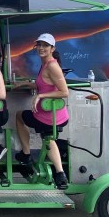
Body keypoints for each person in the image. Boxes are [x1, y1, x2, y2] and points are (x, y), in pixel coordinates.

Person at [14, 33, 70, 190]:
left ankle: (26, 154)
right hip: (52, 115)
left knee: (19, 116)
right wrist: (27, 84)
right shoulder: (45, 64)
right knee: (47, 138)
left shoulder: (52, 66)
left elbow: (64, 92)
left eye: (45, 45)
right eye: (39, 44)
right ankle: (60, 174)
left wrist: (41, 96)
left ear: (52, 48)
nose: (41, 48)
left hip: (50, 117)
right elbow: (45, 84)